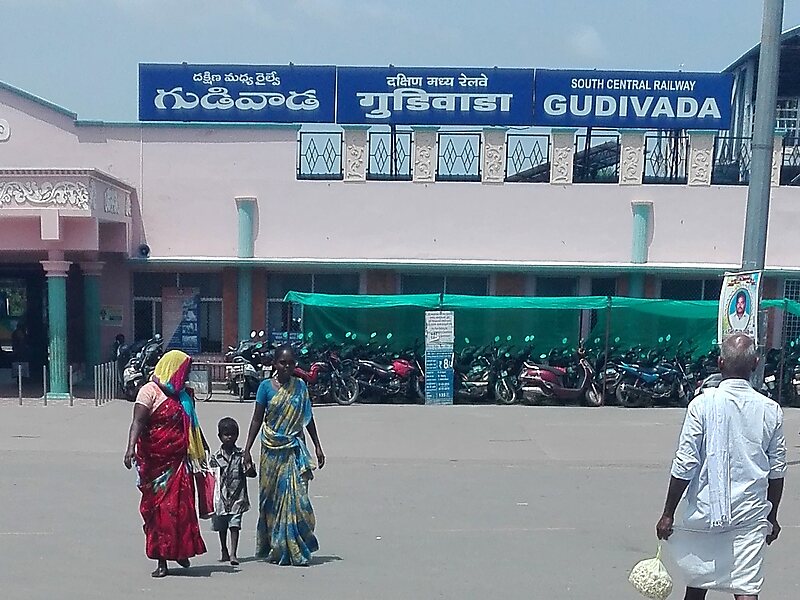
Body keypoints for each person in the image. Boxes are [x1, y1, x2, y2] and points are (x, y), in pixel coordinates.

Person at [656, 333, 786, 600]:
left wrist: (668, 512)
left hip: (705, 512)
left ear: (720, 363)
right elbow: (777, 470)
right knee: (746, 588)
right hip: (750, 516)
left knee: (696, 584)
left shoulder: (701, 405)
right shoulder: (771, 410)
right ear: (755, 363)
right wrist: (771, 517)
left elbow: (685, 463)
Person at [124, 350, 208, 578]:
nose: (187, 375)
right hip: (155, 464)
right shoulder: (149, 391)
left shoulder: (184, 395)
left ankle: (181, 551)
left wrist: (203, 446)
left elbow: (191, 426)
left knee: (181, 510)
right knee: (158, 513)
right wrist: (130, 448)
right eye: (184, 370)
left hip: (179, 461)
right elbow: (138, 423)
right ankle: (161, 559)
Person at [243, 344, 325, 566]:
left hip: (294, 451)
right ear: (274, 364)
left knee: (297, 500)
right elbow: (257, 419)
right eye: (283, 362)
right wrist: (247, 449)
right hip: (271, 450)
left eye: (291, 363)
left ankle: (295, 546)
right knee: (272, 501)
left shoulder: (300, 387)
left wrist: (318, 446)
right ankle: (277, 547)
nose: (287, 367)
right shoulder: (265, 388)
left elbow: (308, 419)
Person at [210, 417, 251, 566]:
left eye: (232, 434)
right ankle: (224, 549)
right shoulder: (215, 457)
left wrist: (249, 466)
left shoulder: (241, 455)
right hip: (220, 498)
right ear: (219, 436)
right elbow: (210, 477)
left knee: (235, 525)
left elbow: (251, 473)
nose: (229, 437)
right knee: (222, 527)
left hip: (237, 497)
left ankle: (234, 553)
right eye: (226, 434)